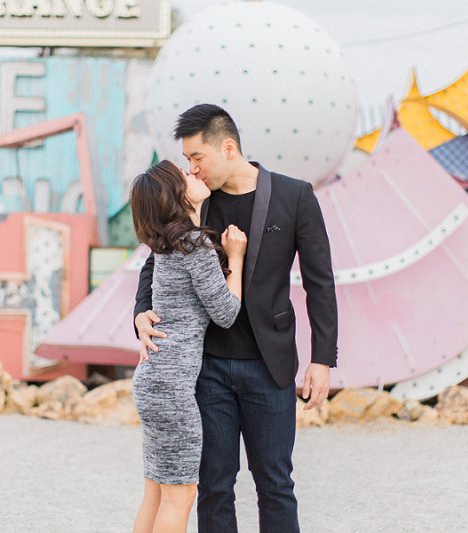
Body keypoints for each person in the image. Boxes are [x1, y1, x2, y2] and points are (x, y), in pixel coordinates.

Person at [134, 104, 338, 532]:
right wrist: (140, 314)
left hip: (270, 365)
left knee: (275, 483)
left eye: (196, 158)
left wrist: (323, 360)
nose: (191, 169)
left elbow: (321, 281)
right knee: (214, 486)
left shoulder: (294, 195)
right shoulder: (194, 201)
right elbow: (154, 263)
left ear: (227, 147)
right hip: (205, 369)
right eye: (188, 160)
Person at [129, 159, 249, 533]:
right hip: (172, 388)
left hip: (151, 379)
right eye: (184, 174)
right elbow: (226, 313)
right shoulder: (194, 246)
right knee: (180, 496)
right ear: (175, 194)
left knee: (155, 492)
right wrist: (237, 259)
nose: (192, 172)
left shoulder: (166, 246)